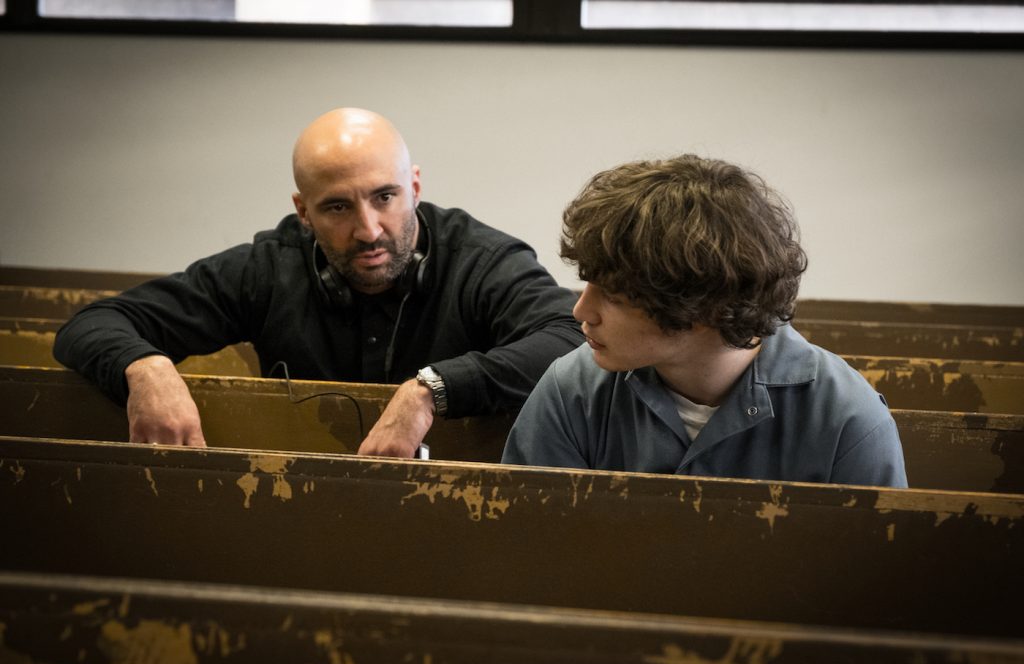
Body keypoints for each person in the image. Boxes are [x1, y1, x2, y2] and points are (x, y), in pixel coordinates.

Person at [54, 108, 583, 458]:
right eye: (337, 207)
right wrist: (144, 368)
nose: (369, 229)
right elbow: (93, 323)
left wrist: (431, 390)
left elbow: (569, 334)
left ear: (414, 187)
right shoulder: (266, 269)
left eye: (384, 196)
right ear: (302, 211)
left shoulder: (481, 260)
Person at [501, 154, 907, 487]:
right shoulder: (570, 390)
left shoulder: (846, 417)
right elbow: (527, 554)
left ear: (701, 307)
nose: (581, 312)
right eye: (587, 286)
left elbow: (875, 577)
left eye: (616, 297)